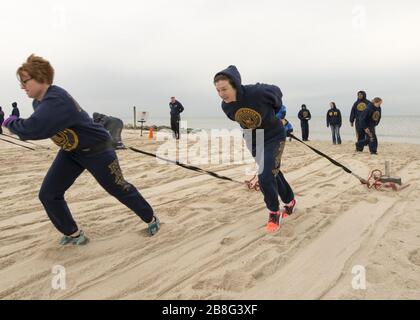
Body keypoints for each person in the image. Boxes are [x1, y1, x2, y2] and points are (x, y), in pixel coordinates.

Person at [2, 54, 160, 245]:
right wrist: (14, 124)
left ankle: (151, 218)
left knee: (118, 188)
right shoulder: (39, 102)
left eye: (25, 81)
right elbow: (40, 126)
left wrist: (10, 122)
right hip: (71, 152)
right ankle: (74, 233)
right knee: (48, 194)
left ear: (41, 78)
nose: (22, 86)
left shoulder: (57, 99)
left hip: (98, 150)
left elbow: (34, 129)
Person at [214, 65, 296, 233]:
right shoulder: (226, 106)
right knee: (272, 171)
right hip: (254, 139)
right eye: (218, 90)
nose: (221, 94)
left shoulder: (257, 92)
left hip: (274, 136)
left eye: (224, 89)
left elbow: (277, 93)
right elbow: (243, 122)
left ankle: (274, 212)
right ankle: (290, 200)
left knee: (265, 175)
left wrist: (279, 113)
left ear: (235, 85)